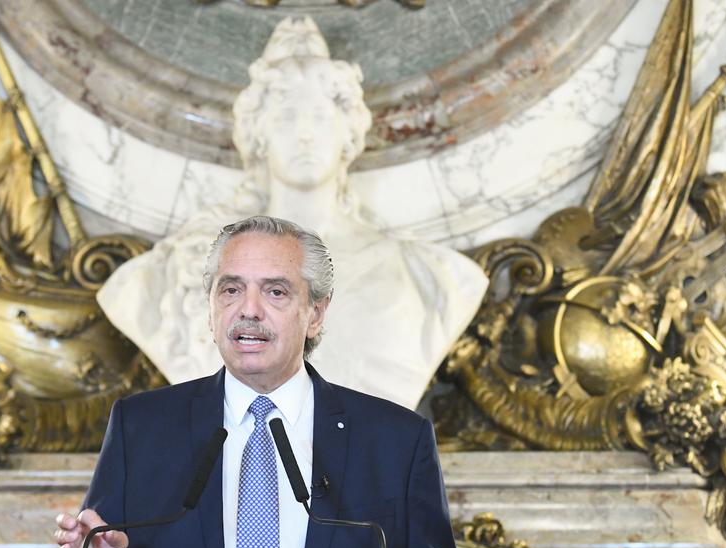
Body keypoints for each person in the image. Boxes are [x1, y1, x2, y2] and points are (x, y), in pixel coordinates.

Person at [54, 215, 478, 548]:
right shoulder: (141, 429)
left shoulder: (393, 440)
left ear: (316, 313)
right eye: (230, 290)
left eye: (275, 292)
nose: (248, 311)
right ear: (211, 310)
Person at [95, 17, 487, 412]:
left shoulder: (434, 279)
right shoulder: (166, 278)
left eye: (318, 117)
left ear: (350, 133)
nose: (304, 134)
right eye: (286, 117)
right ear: (258, 136)